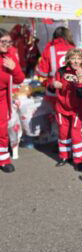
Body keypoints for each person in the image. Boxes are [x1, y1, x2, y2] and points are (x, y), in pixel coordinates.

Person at [53, 48, 82, 171]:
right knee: (63, 133)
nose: (76, 61)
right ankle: (64, 156)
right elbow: (51, 87)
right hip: (61, 107)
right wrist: (53, 85)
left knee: (75, 134)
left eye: (79, 58)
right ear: (68, 59)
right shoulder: (61, 71)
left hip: (77, 109)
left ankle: (79, 160)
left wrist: (80, 80)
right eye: (73, 58)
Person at [0, 29, 25, 173]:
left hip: (2, 99)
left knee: (2, 130)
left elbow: (20, 79)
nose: (8, 45)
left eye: (9, 42)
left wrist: (14, 68)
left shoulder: (10, 56)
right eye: (4, 42)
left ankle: (3, 160)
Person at [36, 26, 75, 106]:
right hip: (72, 91)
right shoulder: (75, 49)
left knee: (56, 117)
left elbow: (42, 73)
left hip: (54, 92)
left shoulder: (50, 49)